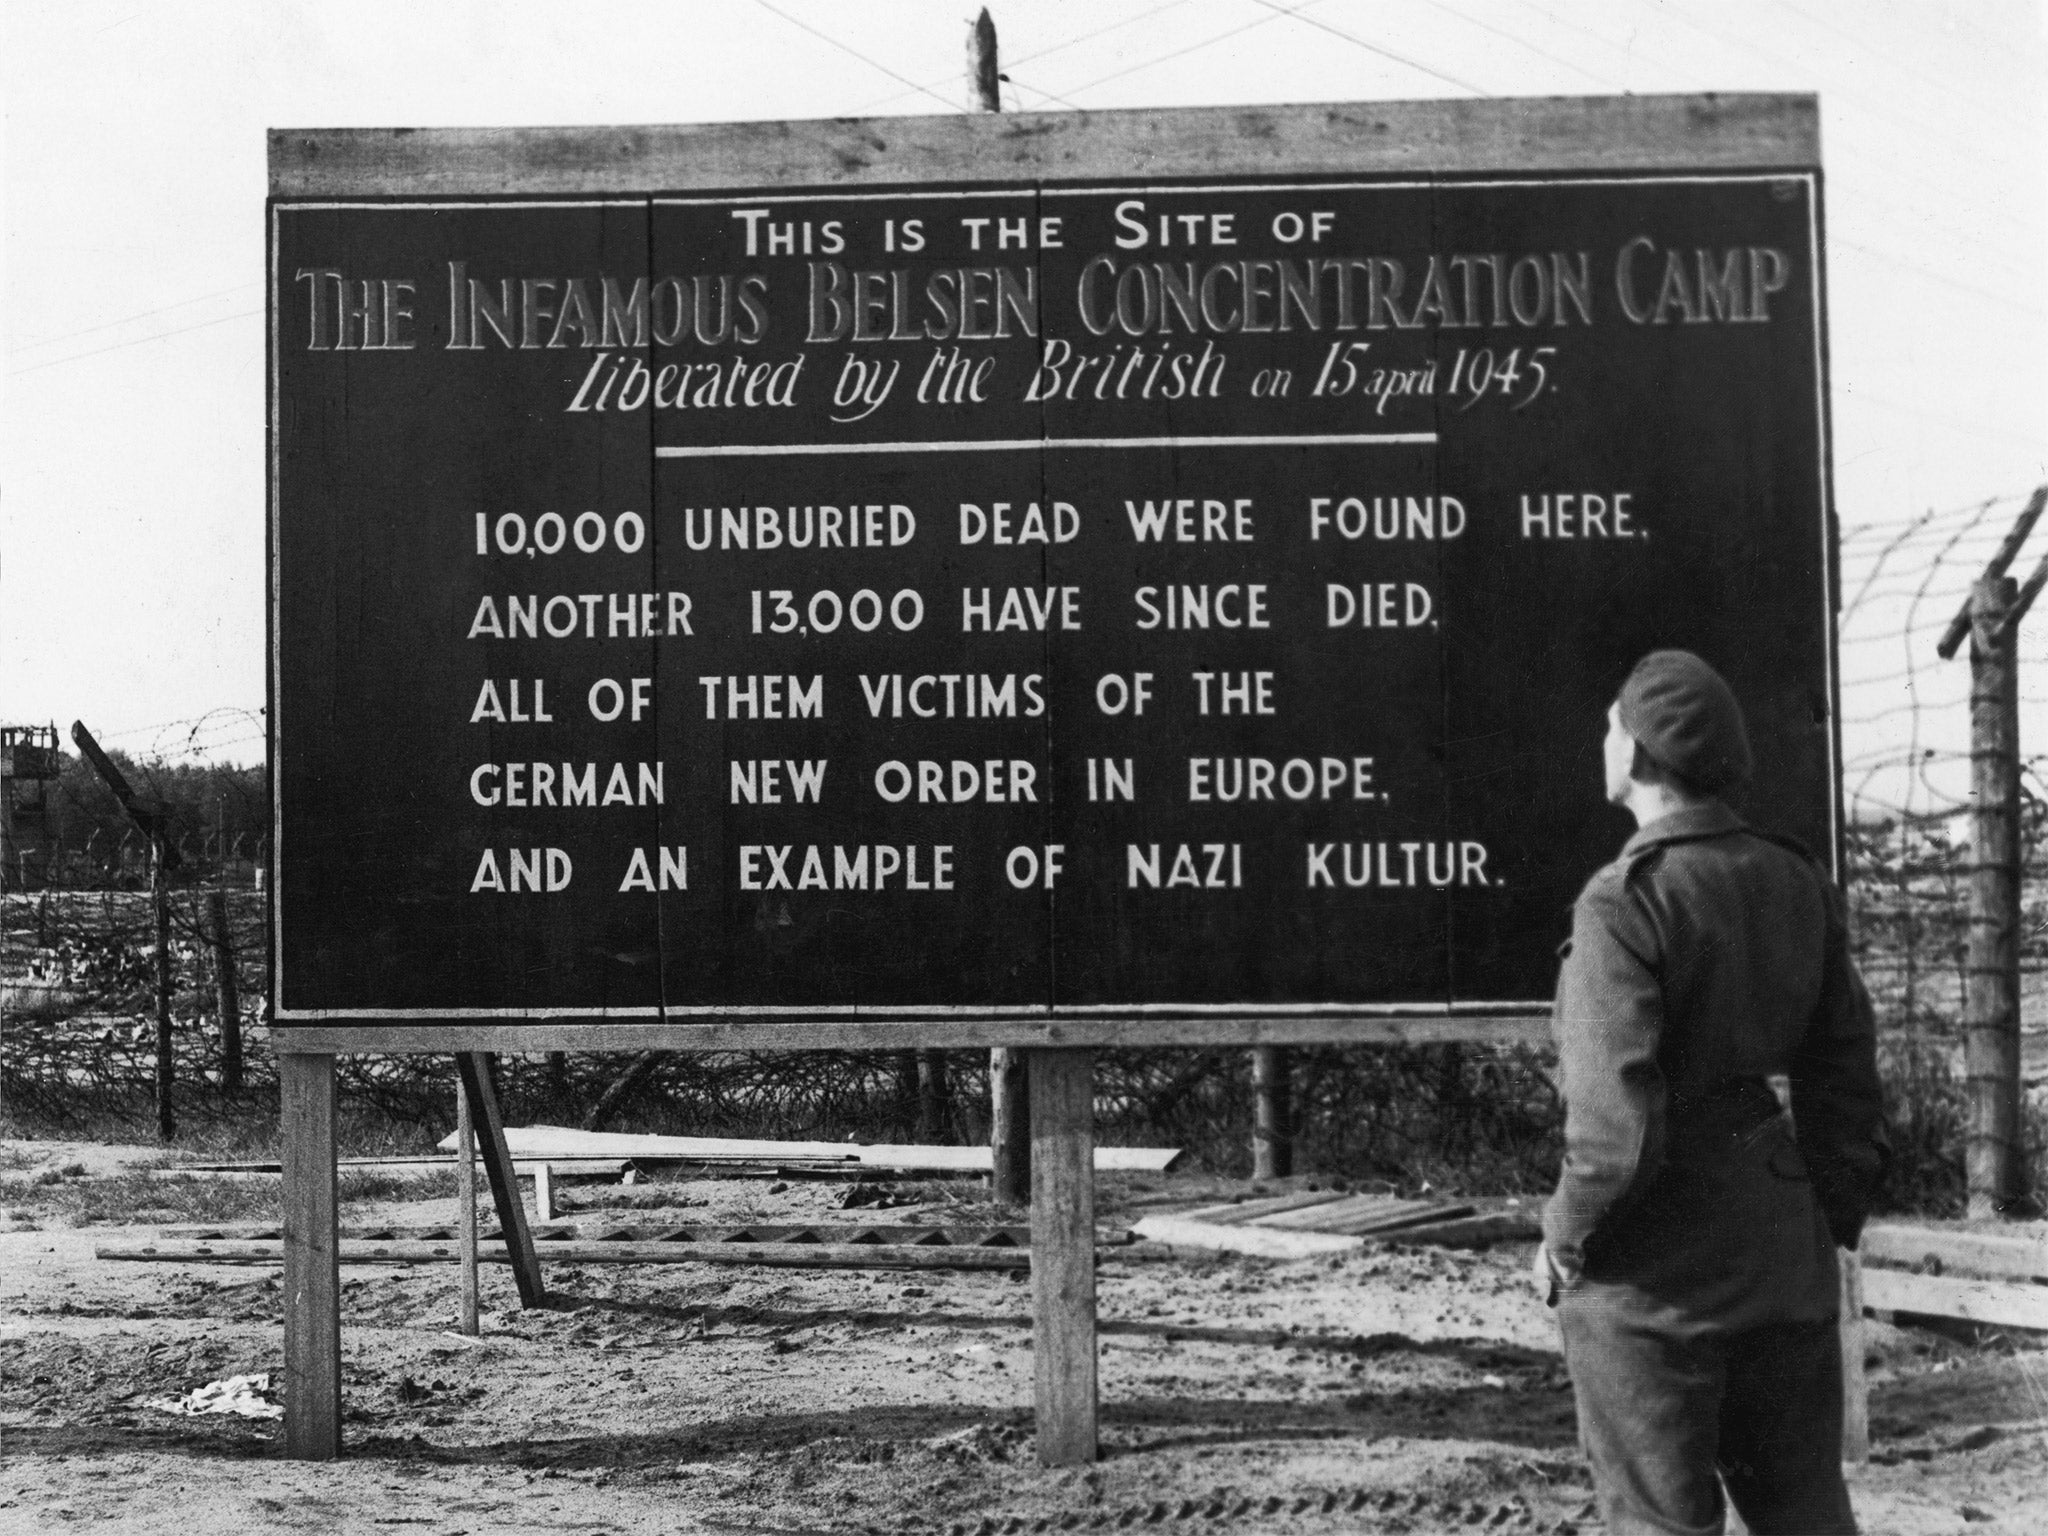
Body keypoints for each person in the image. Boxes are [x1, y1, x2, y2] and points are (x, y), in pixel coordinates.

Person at [1534, 650, 1887, 1535]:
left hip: (1654, 1292)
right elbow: (1845, 1076)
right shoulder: (1796, 879)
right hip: (1782, 1258)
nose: (1603, 735)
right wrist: (1824, 1223)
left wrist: (1565, 1238)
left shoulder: (1622, 904)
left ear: (1645, 754)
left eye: (1615, 722)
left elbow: (1618, 1134)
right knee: (1807, 1519)